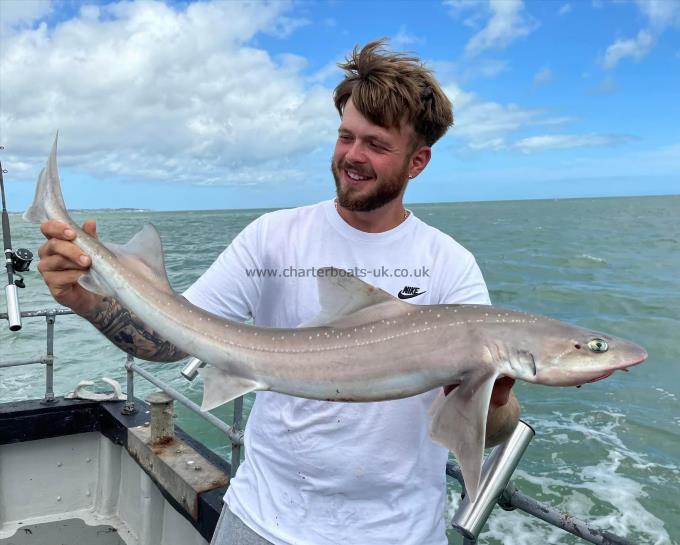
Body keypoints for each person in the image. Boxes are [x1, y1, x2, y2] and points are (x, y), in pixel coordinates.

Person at [37, 40, 519, 545]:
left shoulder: (449, 265)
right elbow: (173, 340)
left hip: (396, 532)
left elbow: (497, 428)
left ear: (417, 162)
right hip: (261, 520)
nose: (352, 156)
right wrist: (88, 302)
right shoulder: (273, 237)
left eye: (376, 145)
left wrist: (494, 397)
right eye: (345, 137)